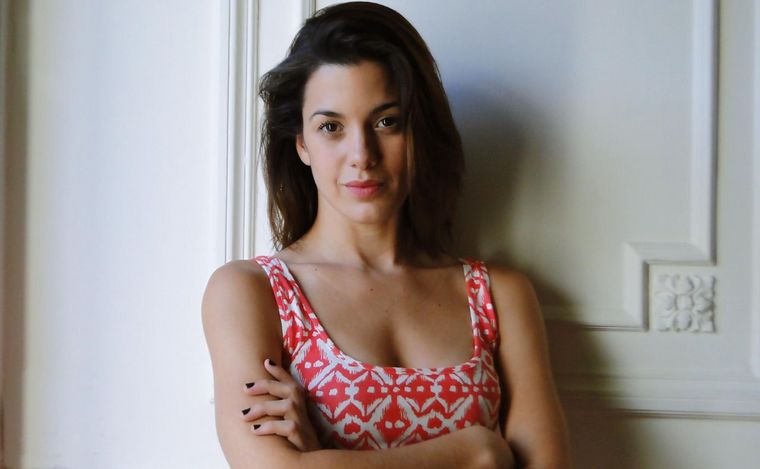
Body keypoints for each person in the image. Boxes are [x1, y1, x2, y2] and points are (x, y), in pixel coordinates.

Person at [202, 2, 571, 468]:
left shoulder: (500, 295)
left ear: (420, 132)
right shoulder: (251, 292)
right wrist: (476, 451)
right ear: (301, 143)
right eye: (331, 127)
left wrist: (323, 457)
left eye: (386, 122)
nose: (362, 154)